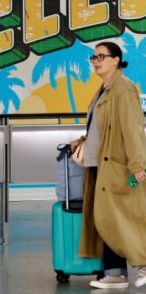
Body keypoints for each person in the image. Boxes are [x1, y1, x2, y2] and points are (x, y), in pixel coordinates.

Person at [70, 41, 146, 289]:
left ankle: (142, 263)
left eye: (101, 56)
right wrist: (83, 141)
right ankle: (115, 273)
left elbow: (132, 129)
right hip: (100, 166)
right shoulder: (105, 89)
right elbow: (103, 128)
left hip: (121, 168)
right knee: (107, 219)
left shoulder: (123, 89)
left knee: (128, 217)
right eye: (94, 57)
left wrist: (138, 165)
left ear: (116, 59)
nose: (96, 61)